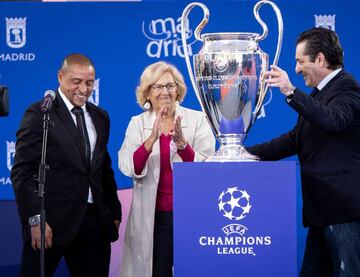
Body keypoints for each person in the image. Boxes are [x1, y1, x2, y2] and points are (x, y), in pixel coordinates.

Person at [247, 28, 360, 276]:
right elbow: (293, 140)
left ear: (320, 59)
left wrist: (291, 92)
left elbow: (333, 121)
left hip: (347, 210)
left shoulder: (347, 88)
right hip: (324, 212)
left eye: (301, 61)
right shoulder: (320, 95)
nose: (297, 69)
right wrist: (243, 155)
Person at [11, 54, 122, 277]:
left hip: (93, 224)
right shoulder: (39, 114)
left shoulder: (101, 117)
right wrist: (35, 219)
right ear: (60, 77)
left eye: (89, 83)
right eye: (76, 81)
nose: (84, 89)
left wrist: (114, 210)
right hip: (49, 223)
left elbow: (103, 169)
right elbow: (22, 172)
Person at [118, 61, 215, 277]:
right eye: (158, 86)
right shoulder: (137, 124)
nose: (165, 92)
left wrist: (183, 147)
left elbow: (209, 168)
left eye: (170, 86)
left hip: (191, 214)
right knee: (158, 272)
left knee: (194, 270)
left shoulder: (197, 119)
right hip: (155, 218)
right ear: (147, 93)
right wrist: (150, 141)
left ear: (178, 90)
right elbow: (127, 166)